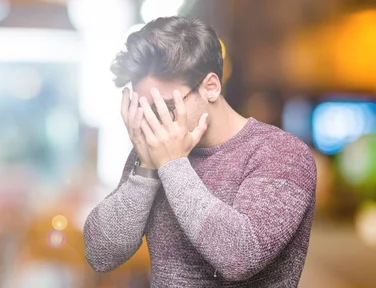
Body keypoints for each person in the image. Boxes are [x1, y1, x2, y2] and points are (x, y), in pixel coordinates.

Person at [83, 16, 316, 287]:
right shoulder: (152, 153)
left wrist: (171, 164)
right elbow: (101, 255)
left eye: (166, 107)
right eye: (142, 109)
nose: (153, 123)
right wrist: (145, 169)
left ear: (211, 87)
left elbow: (239, 256)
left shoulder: (281, 154)